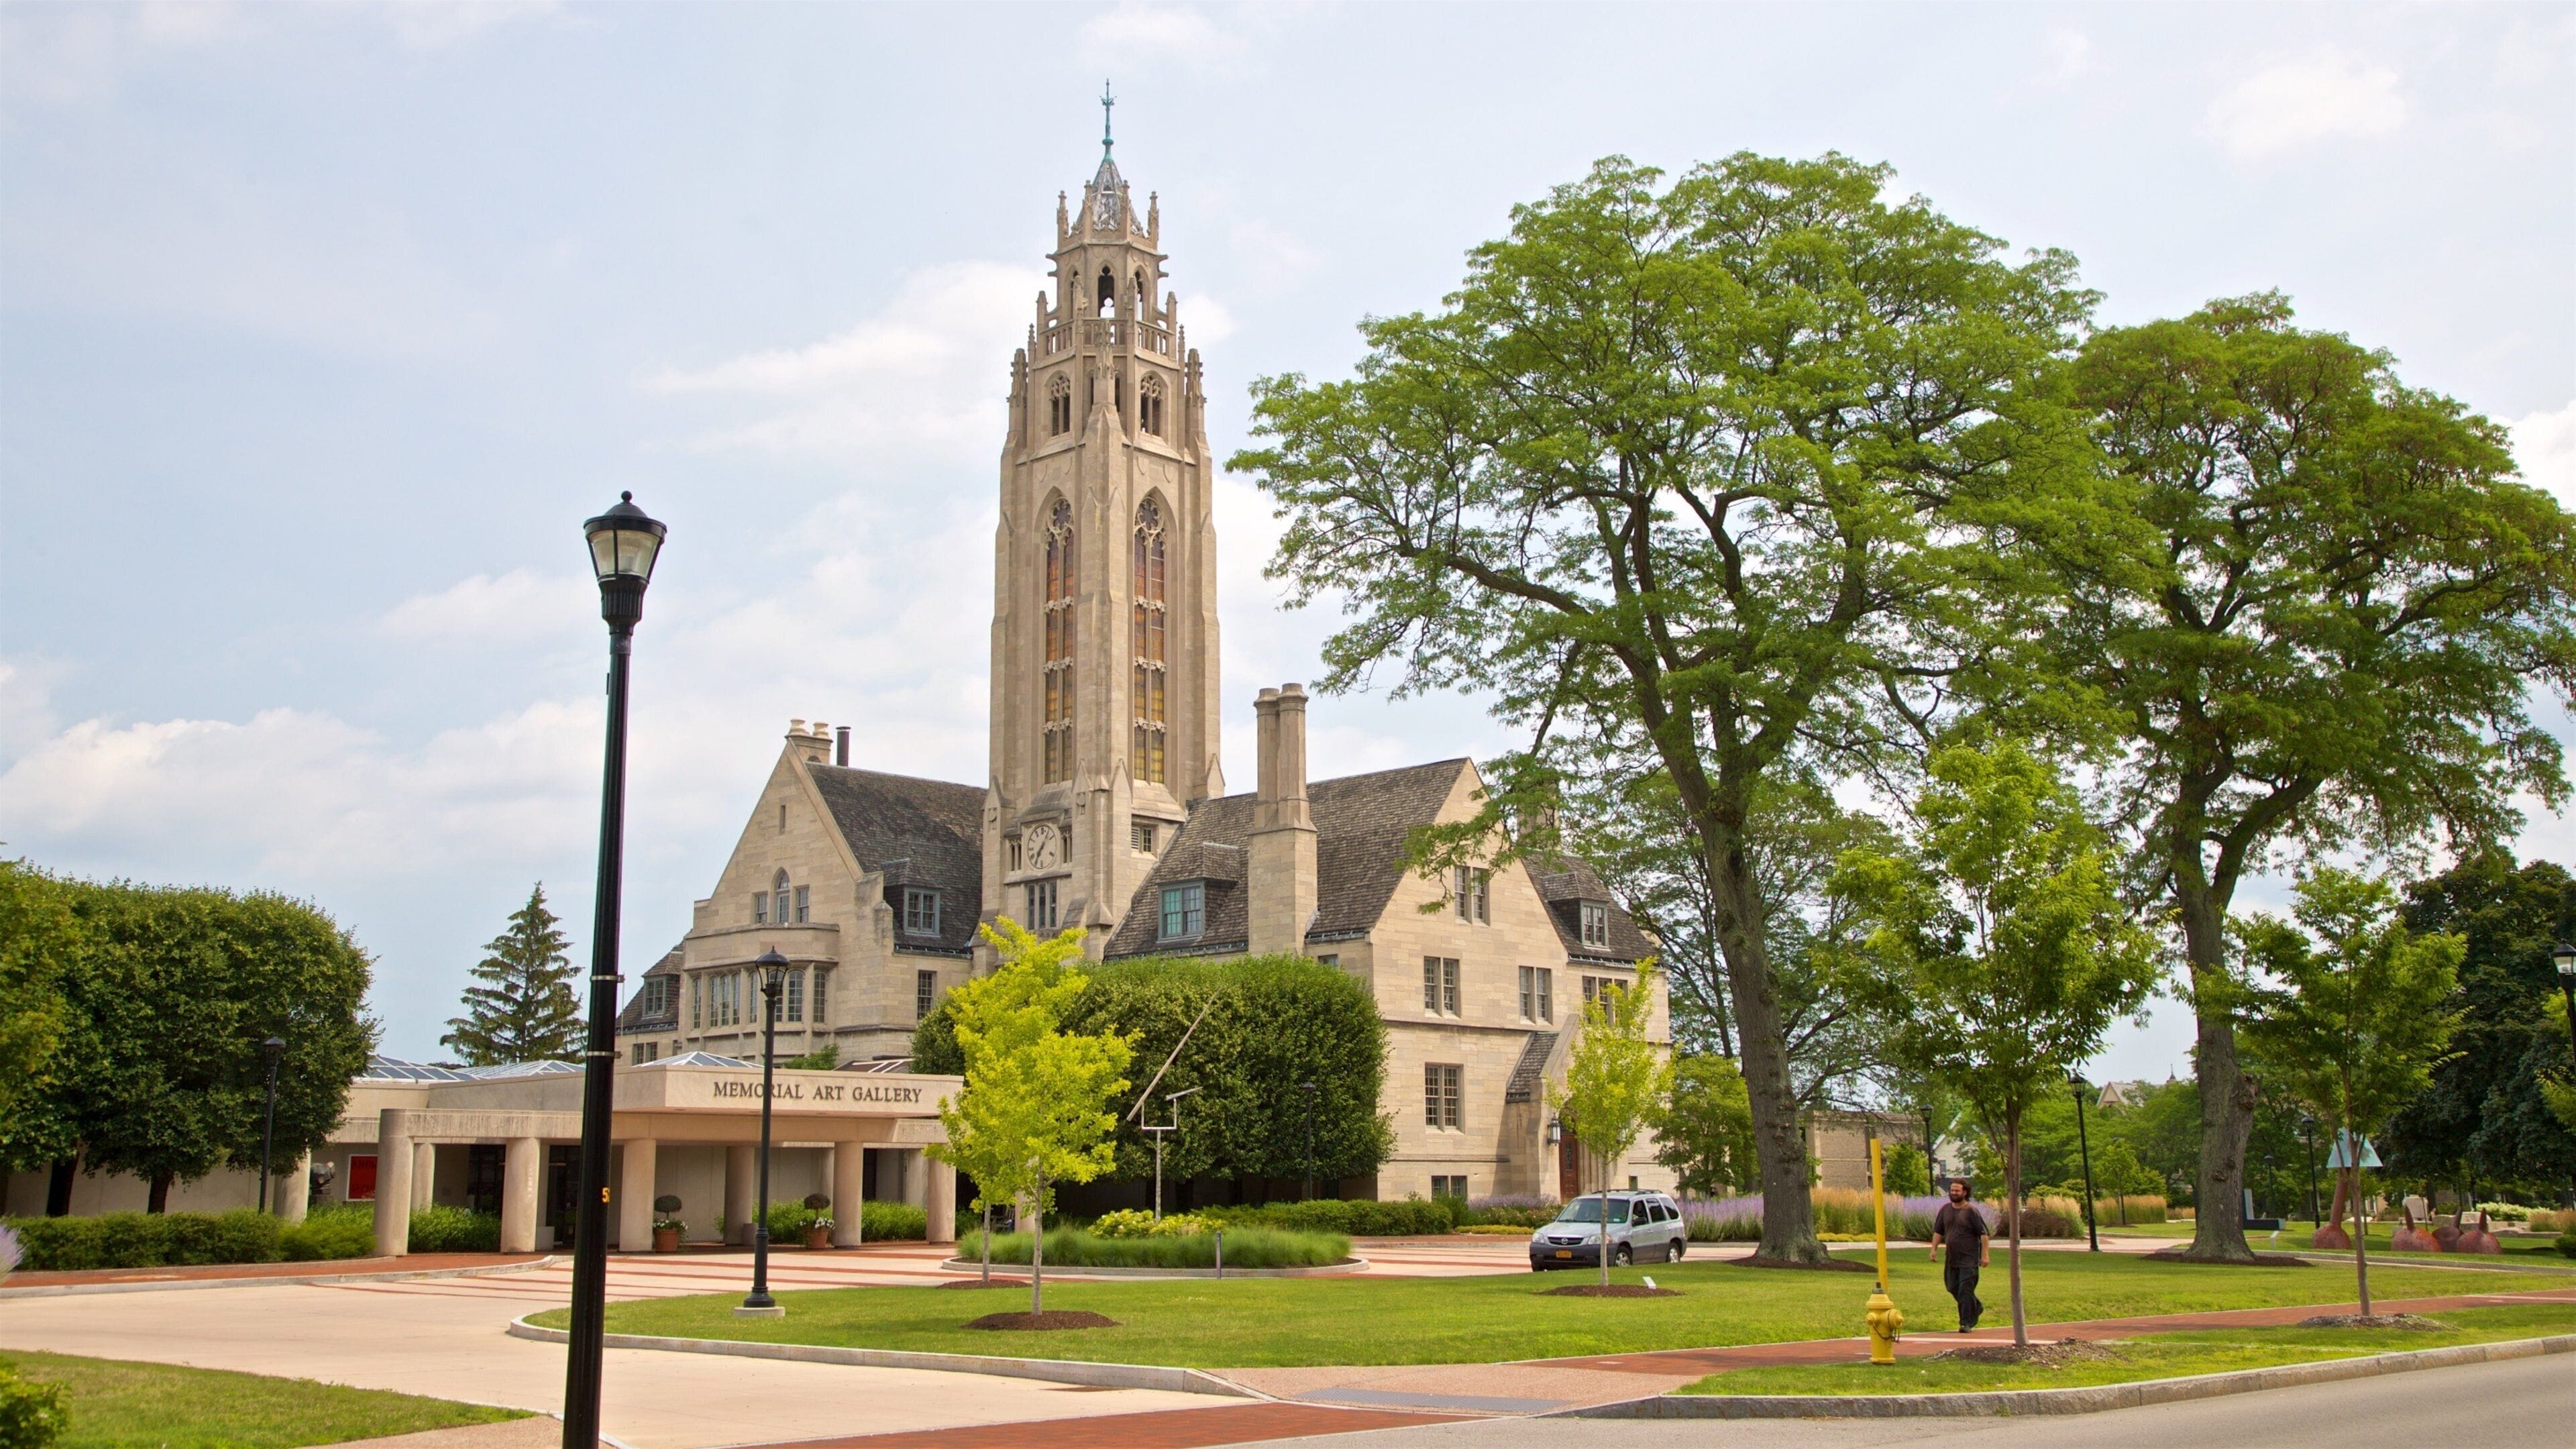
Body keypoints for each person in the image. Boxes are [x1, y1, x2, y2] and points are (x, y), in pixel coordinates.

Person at [1928, 1177, 1990, 1332]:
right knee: (1952, 1287)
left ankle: (1966, 1323)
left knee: (1965, 1290)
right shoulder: (1945, 1210)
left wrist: (1985, 1255)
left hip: (1969, 1260)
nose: (1954, 1193)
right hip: (1952, 1259)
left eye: (1957, 1190)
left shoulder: (1971, 1211)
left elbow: (1983, 1235)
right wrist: (1934, 1249)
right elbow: (1938, 1231)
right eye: (1952, 1190)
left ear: (1965, 1192)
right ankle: (1975, 1306)